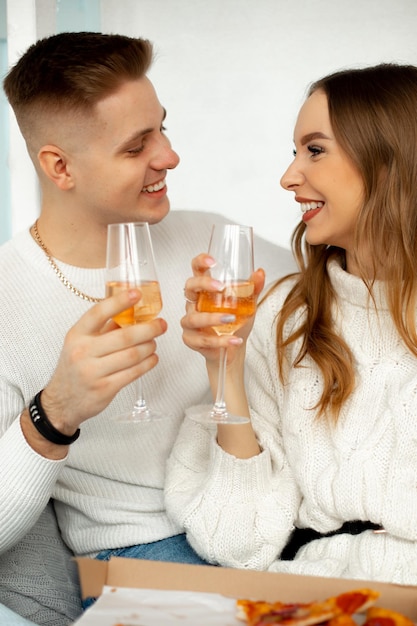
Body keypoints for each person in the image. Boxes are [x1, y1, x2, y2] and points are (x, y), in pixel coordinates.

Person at [0, 31, 295, 622]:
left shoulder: (208, 238)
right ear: (59, 166)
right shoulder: (7, 296)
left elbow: (350, 296)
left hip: (267, 525)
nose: (169, 156)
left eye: (164, 128)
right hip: (143, 557)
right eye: (138, 147)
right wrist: (54, 412)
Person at [165, 63, 417, 586]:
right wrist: (225, 370)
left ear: (391, 161)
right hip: (313, 597)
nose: (288, 177)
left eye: (315, 150)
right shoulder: (289, 319)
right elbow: (237, 544)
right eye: (294, 150)